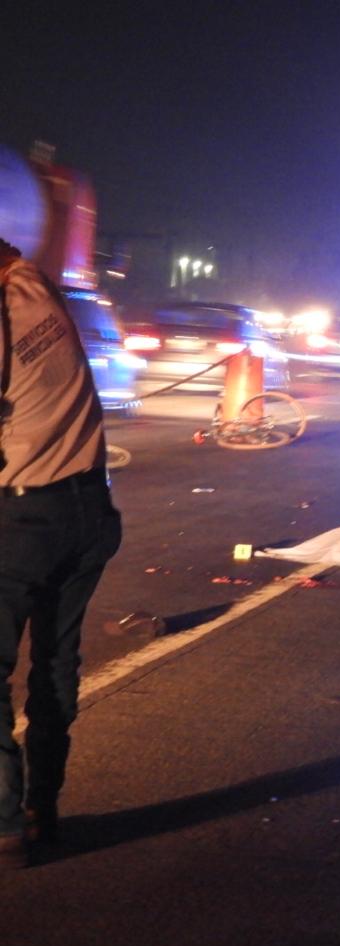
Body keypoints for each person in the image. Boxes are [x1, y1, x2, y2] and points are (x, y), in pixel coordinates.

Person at [0, 239, 122, 868]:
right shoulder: (37, 288)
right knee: (53, 662)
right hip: (88, 511)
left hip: (21, 518)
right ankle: (41, 808)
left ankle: (3, 825)